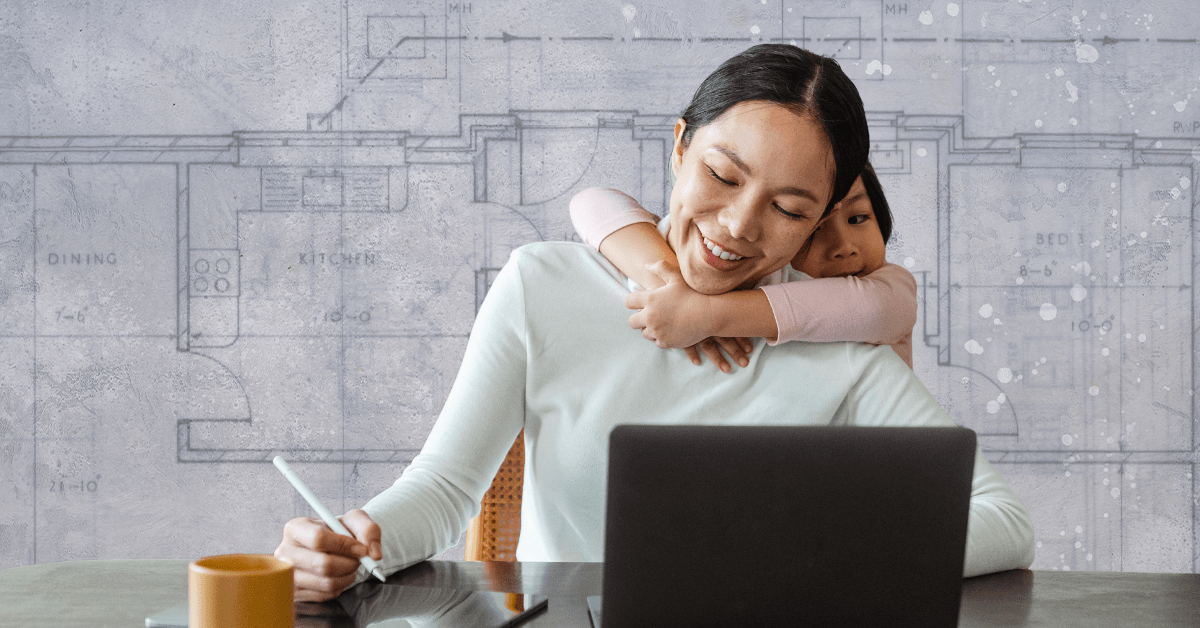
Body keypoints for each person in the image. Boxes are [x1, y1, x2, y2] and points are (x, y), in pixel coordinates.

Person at [275, 44, 1035, 602]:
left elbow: (1003, 524)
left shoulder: (838, 345)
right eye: (722, 175)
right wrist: (350, 538)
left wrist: (821, 550)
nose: (738, 226)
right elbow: (443, 490)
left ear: (820, 221)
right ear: (678, 148)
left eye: (789, 209)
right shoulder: (542, 286)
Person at [568, 161, 917, 370]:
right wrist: (669, 285)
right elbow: (592, 202)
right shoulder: (765, 279)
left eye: (859, 218)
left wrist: (706, 313)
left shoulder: (891, 289)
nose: (844, 247)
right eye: (813, 230)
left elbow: (871, 310)